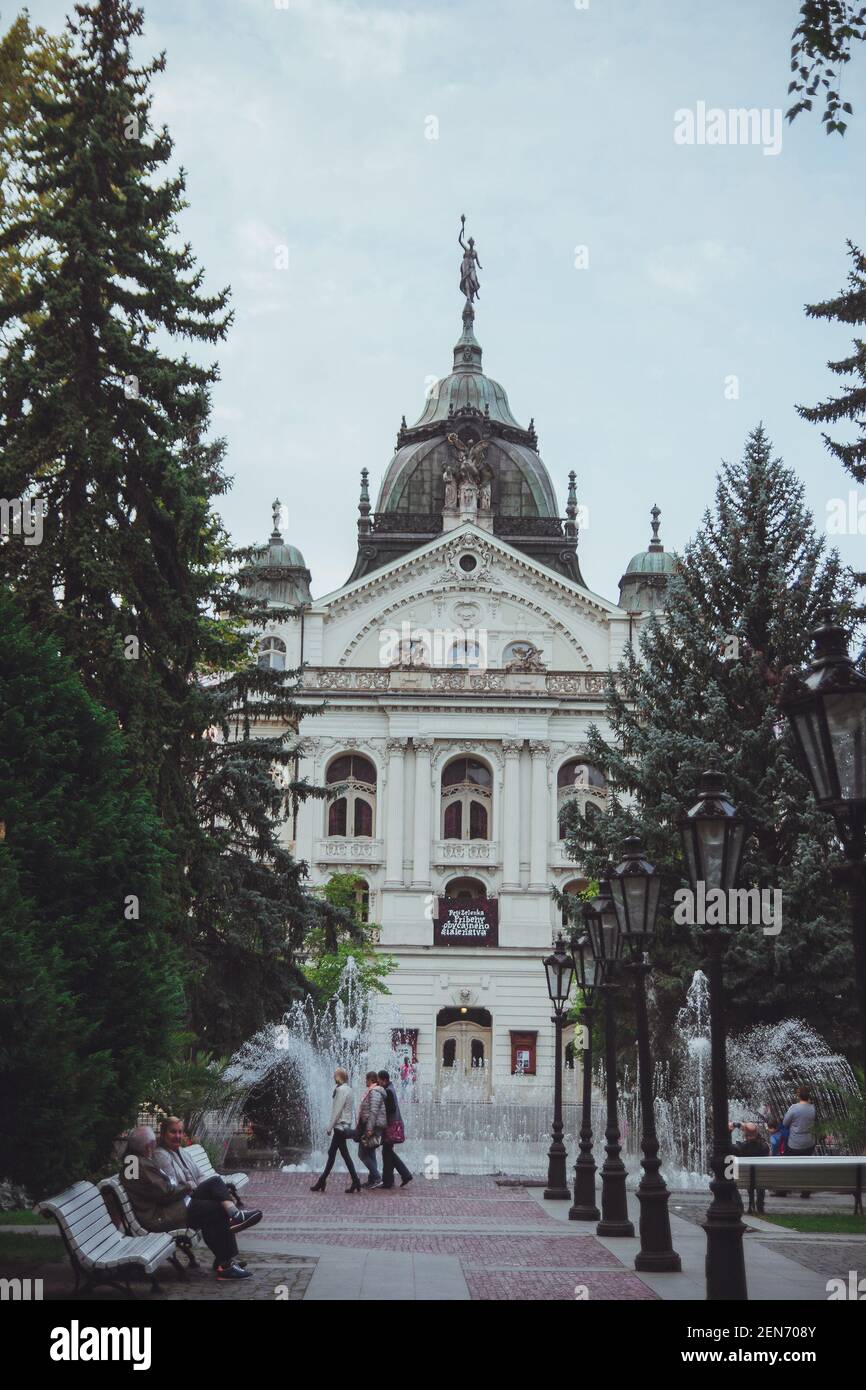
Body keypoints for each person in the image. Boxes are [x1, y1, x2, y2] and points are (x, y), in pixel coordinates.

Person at [122, 1126, 261, 1281]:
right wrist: (187, 1186)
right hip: (162, 1215)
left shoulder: (135, 1160)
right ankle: (226, 1264)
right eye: (153, 1142)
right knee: (214, 1209)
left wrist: (182, 1186)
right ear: (148, 1146)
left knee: (214, 1182)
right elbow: (163, 1193)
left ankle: (235, 1215)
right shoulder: (138, 1163)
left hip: (172, 1204)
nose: (155, 1146)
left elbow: (155, 1188)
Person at [310, 1068, 362, 1193]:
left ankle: (322, 1181)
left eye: (335, 1076)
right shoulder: (349, 1089)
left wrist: (329, 1127)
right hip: (345, 1126)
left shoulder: (340, 1090)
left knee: (336, 1154)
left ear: (339, 1077)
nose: (333, 1077)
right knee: (337, 1154)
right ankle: (354, 1181)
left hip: (339, 1127)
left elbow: (337, 1110)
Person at [378, 1069, 413, 1190]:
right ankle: (390, 1179)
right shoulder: (390, 1089)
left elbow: (391, 1109)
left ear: (384, 1080)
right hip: (393, 1125)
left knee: (387, 1152)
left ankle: (401, 1176)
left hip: (391, 1126)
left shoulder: (388, 1091)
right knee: (387, 1152)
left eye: (379, 1080)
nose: (378, 1083)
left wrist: (382, 1115)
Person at [782, 1086, 817, 1199]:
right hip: (809, 1142)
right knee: (806, 1166)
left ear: (798, 1095)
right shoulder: (812, 1108)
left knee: (787, 1166)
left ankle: (784, 1189)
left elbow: (785, 1123)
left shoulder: (794, 1108)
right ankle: (806, 1190)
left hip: (794, 1143)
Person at [728, 1121, 769, 1213]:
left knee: (729, 1179)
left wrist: (730, 1132)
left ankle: (740, 1205)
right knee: (760, 1179)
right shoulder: (764, 1147)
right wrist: (750, 1130)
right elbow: (759, 1140)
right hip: (761, 1179)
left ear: (745, 1135)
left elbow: (727, 1147)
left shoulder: (741, 1147)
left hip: (745, 1179)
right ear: (757, 1133)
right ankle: (759, 1206)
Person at [355, 1071, 387, 1188]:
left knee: (362, 1154)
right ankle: (373, 1179)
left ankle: (377, 1178)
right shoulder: (373, 1091)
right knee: (370, 1153)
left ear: (371, 1080)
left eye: (366, 1079)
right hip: (370, 1126)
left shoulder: (375, 1092)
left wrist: (369, 1129)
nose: (365, 1081)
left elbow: (373, 1111)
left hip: (372, 1127)